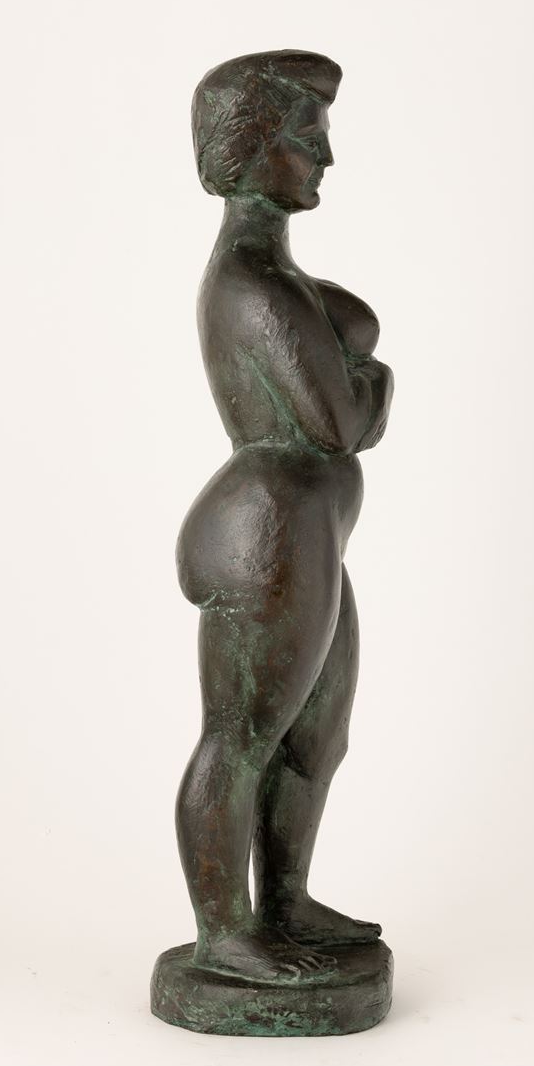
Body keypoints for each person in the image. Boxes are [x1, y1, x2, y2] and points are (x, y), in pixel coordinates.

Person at [175, 51, 394, 985]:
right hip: (264, 532)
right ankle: (223, 933)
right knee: (242, 736)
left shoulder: (282, 279)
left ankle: (285, 901)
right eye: (309, 136)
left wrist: (358, 372)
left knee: (317, 736)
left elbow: (335, 422)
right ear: (254, 148)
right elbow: (340, 424)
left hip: (305, 537)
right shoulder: (254, 283)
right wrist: (377, 378)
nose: (325, 157)